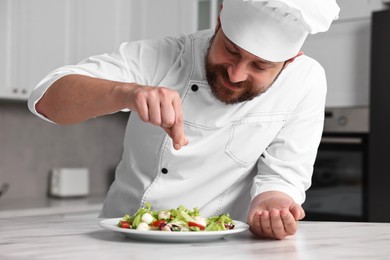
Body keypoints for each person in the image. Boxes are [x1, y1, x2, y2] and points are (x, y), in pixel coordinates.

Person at [28, 0, 340, 240]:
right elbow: (46, 99)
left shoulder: (306, 81)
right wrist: (127, 92)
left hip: (223, 243)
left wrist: (270, 206)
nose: (236, 74)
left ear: (291, 59)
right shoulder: (162, 55)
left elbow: (283, 177)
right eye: (230, 50)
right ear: (218, 21)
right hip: (125, 238)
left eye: (259, 66)